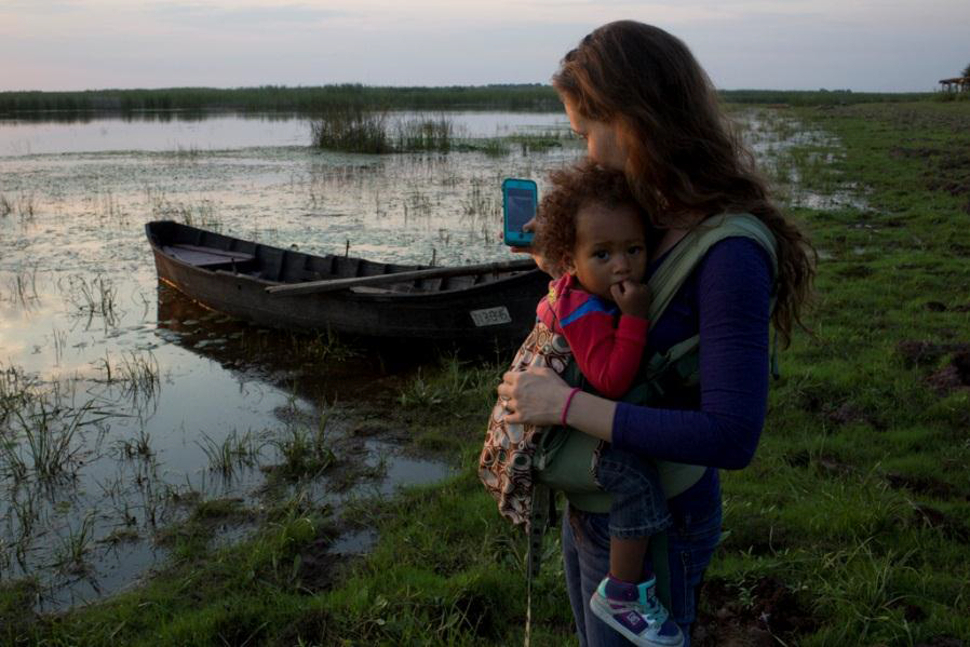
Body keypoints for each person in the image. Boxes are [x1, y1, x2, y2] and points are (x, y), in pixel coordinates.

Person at [497, 21, 815, 646]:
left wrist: (563, 405)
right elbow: (633, 323)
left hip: (658, 520)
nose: (587, 153)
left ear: (632, 118)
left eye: (586, 134)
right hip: (598, 503)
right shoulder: (654, 217)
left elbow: (731, 434)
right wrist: (567, 269)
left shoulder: (729, 254)